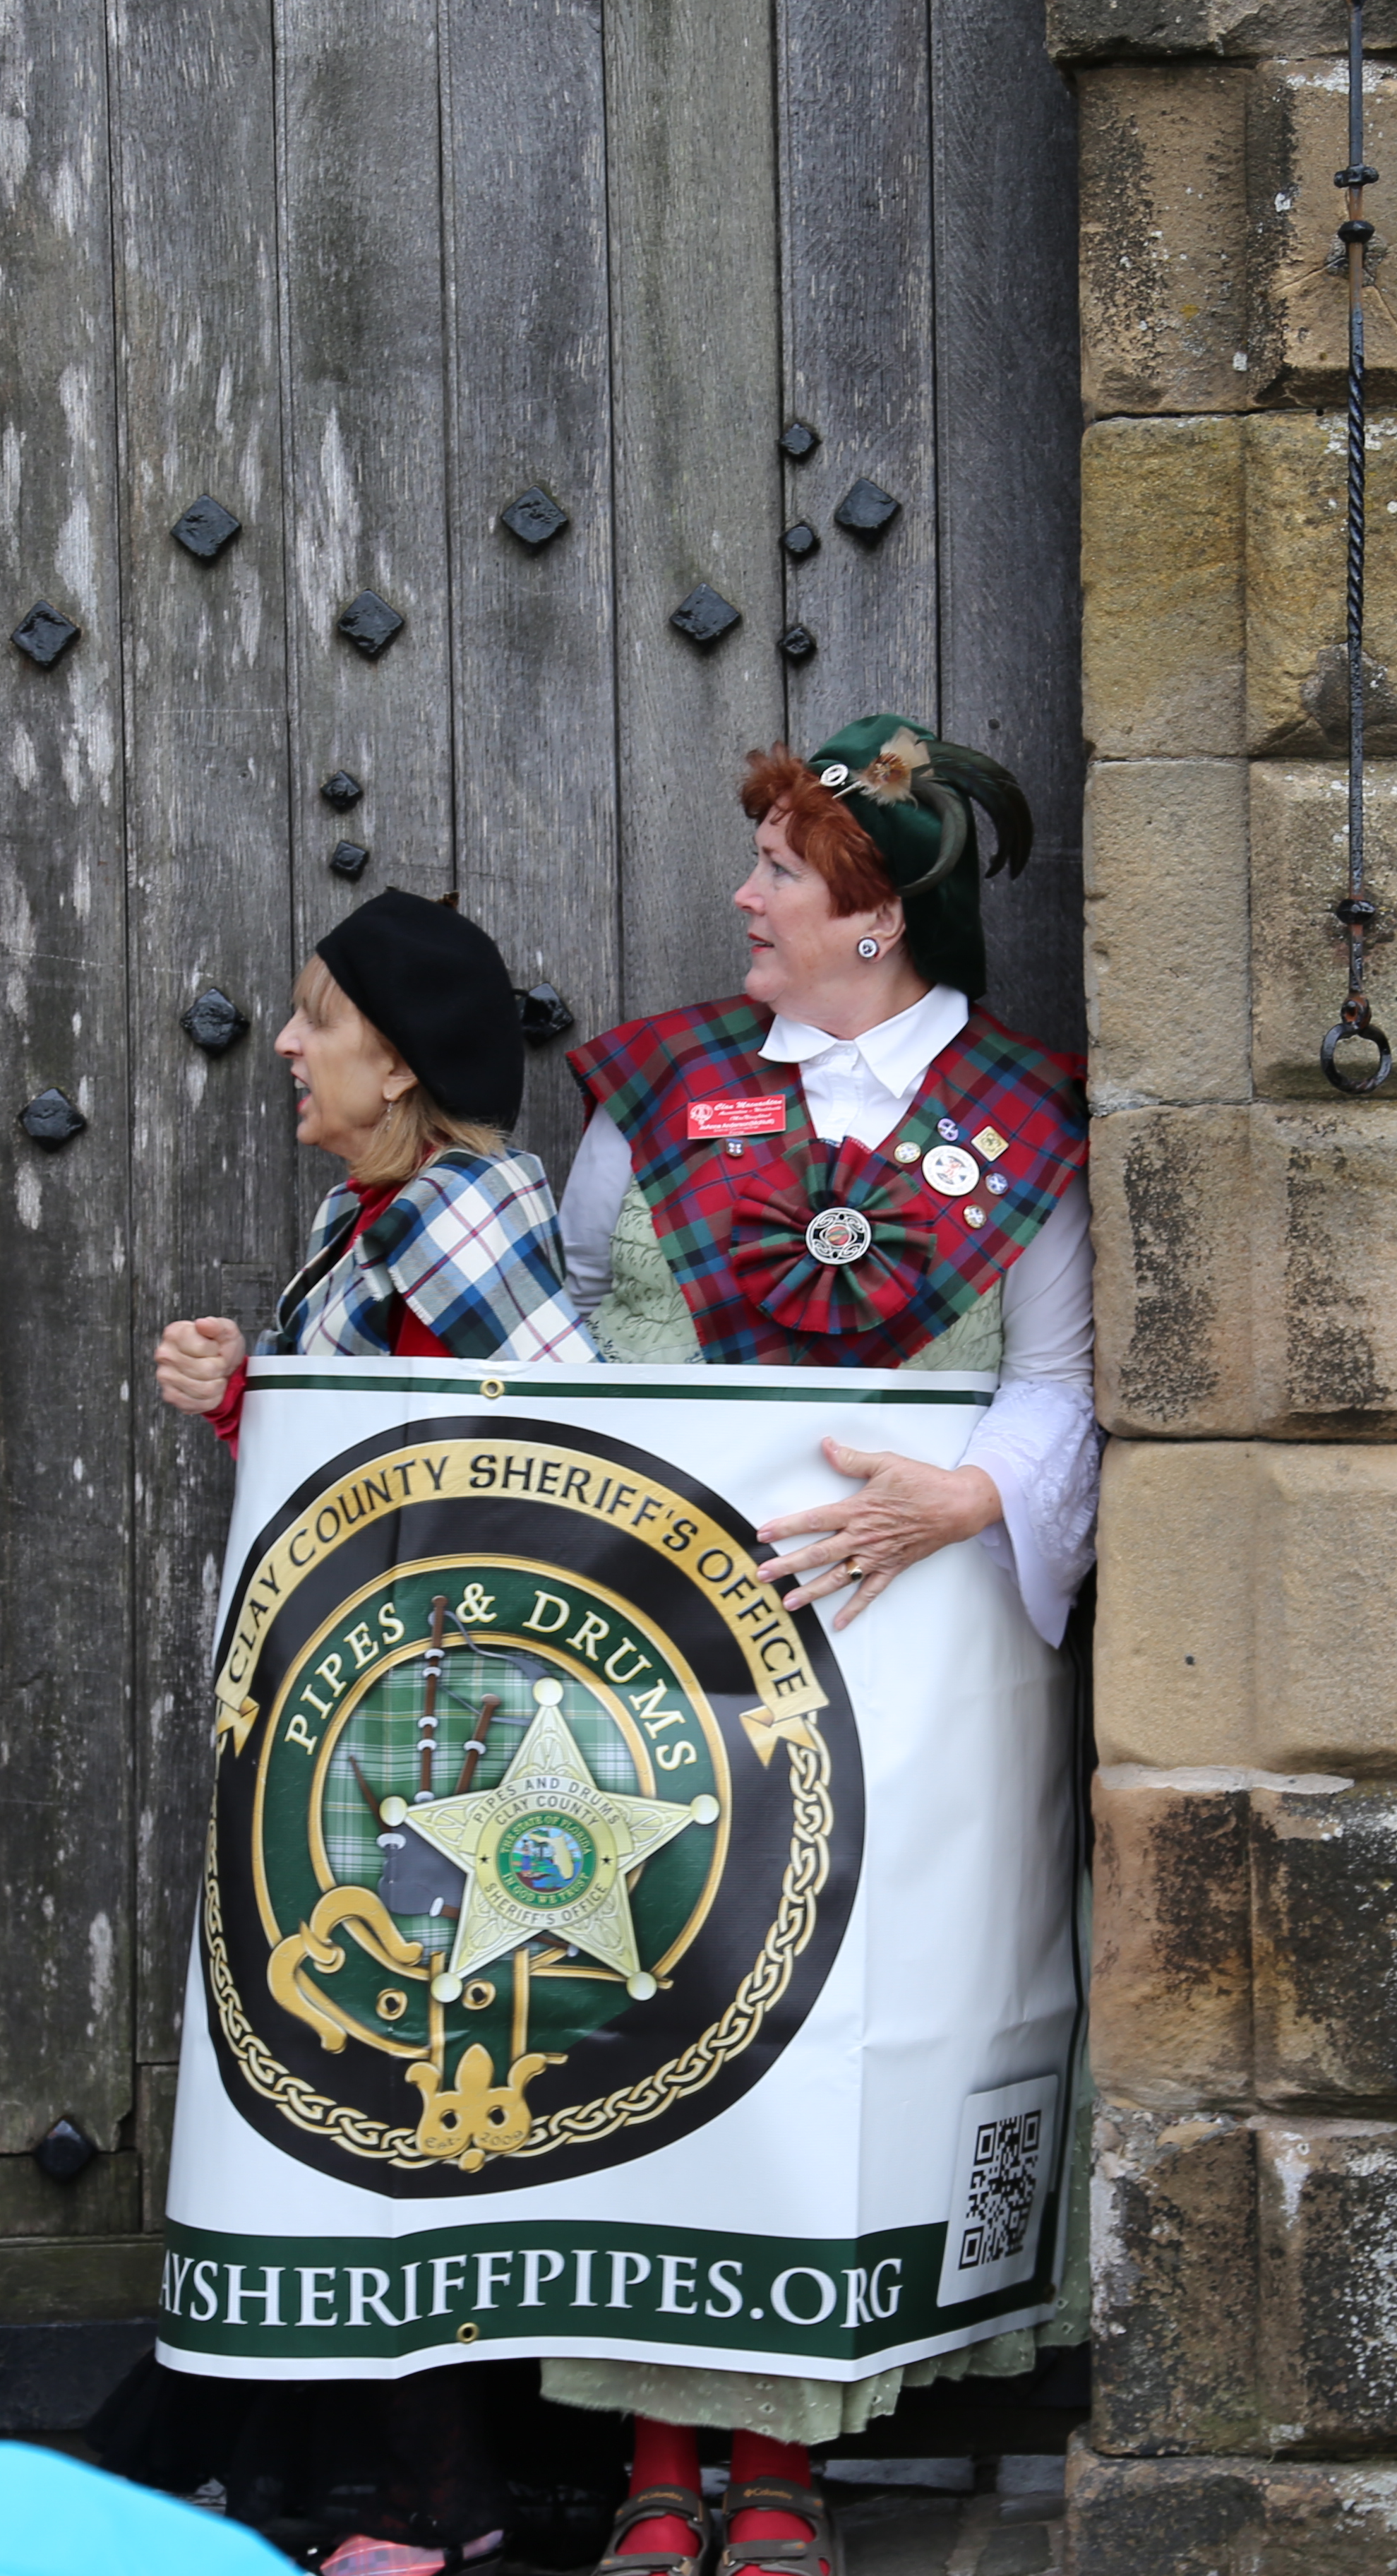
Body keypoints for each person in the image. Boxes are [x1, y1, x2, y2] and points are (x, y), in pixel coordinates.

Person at [554, 715, 1096, 2576]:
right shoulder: (658, 1096)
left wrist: (959, 1504)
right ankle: (651, 2450)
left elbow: (1062, 1389)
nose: (746, 897)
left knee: (853, 2027)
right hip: (680, 1640)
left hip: (921, 1649)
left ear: (879, 917)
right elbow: (580, 1347)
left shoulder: (1028, 1118)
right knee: (667, 1989)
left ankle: (788, 2460)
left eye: (783, 869)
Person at [111, 886, 594, 2574]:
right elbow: (377, 1467)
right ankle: (388, 2477)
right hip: (378, 1731)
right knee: (367, 2095)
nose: (291, 1049)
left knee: (412, 2099)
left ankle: (444, 2507)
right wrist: (254, 1390)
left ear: (399, 1065)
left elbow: (552, 1469)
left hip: (454, 1750)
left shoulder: (460, 1217)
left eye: (320, 1022)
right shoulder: (368, 1214)